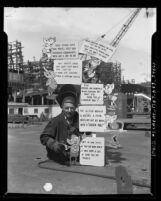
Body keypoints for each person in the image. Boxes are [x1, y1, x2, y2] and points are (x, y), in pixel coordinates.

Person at [40, 84, 82, 166]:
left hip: (77, 159)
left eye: (72, 108)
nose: (69, 111)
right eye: (66, 108)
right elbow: (44, 137)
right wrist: (54, 145)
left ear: (75, 107)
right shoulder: (56, 121)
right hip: (59, 159)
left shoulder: (81, 120)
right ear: (62, 107)